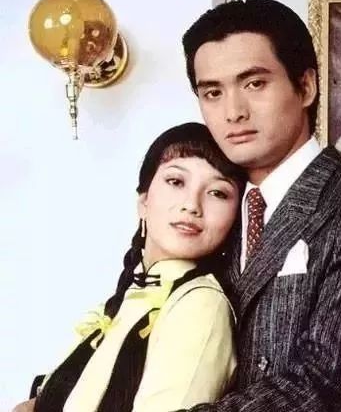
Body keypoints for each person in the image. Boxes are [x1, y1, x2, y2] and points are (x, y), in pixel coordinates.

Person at [180, 0, 341, 411]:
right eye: (212, 92)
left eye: (254, 84)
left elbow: (330, 382)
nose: (233, 111)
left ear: (306, 86)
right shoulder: (209, 208)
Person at [12, 123, 246, 412]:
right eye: (176, 181)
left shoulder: (200, 304)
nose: (192, 205)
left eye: (218, 193)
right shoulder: (129, 296)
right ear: (144, 201)